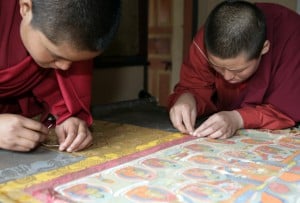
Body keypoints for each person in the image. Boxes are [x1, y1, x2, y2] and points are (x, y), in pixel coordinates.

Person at [0, 0, 120, 152]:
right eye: (55, 55)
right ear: (26, 8)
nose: (65, 67)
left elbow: (65, 88)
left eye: (74, 61)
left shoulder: (68, 36)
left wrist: (67, 117)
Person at [168, 0, 300, 139]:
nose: (227, 77)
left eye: (238, 70)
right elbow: (195, 83)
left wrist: (238, 119)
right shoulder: (210, 38)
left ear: (264, 48)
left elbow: (286, 110)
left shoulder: (293, 40)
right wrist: (187, 98)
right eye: (217, 67)